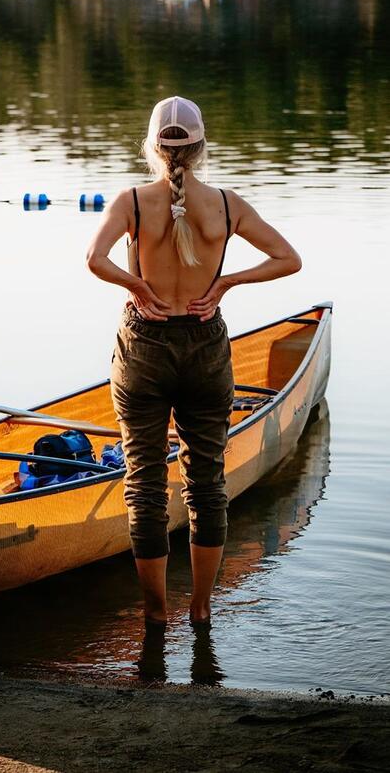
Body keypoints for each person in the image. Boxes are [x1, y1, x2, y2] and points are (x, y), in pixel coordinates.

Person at [85, 96, 301, 627]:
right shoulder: (227, 205)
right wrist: (226, 282)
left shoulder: (132, 201)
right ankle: (201, 608)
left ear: (152, 147)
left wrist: (135, 284)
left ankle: (156, 612)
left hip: (144, 348)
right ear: (202, 148)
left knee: (145, 483)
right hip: (205, 346)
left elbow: (94, 259)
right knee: (207, 483)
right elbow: (289, 259)